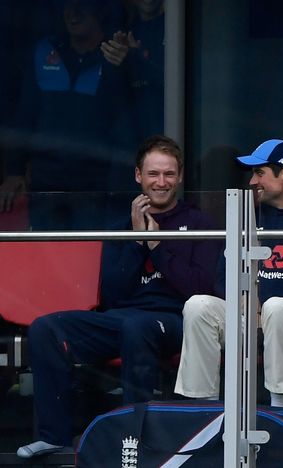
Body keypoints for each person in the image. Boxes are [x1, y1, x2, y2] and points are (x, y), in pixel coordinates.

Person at [17, 135, 220, 459]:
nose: (161, 182)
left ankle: (133, 438)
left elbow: (199, 289)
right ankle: (54, 436)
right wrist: (136, 239)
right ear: (138, 175)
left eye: (169, 174)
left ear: (180, 177)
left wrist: (157, 245)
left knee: (137, 326)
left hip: (177, 320)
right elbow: (114, 293)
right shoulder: (121, 226)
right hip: (124, 318)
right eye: (153, 174)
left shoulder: (199, 224)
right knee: (46, 328)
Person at [174, 139, 283, 410]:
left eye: (260, 173)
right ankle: (203, 411)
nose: (253, 181)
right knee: (198, 305)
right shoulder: (247, 219)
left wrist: (262, 305)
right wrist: (246, 305)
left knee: (277, 308)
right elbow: (222, 277)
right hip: (249, 318)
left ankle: (280, 411)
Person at [1, 0, 126, 230]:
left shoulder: (115, 55)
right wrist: (14, 171)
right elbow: (25, 115)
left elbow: (124, 123)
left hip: (95, 186)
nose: (74, 13)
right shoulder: (45, 50)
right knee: (48, 259)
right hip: (46, 184)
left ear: (100, 11)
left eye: (84, 5)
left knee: (89, 262)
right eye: (69, 4)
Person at [101, 0, 167, 181]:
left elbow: (178, 84)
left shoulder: (179, 27)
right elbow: (110, 97)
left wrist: (138, 59)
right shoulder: (124, 31)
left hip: (167, 143)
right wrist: (116, 64)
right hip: (126, 148)